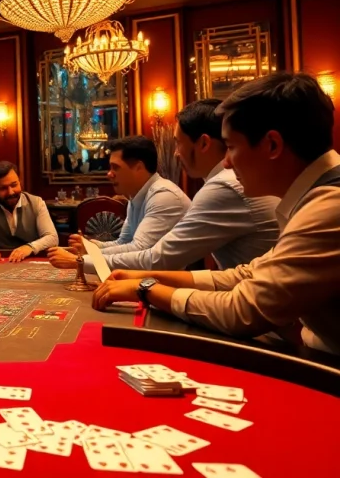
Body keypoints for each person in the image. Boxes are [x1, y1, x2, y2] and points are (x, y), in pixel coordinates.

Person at [93, 72, 340, 355]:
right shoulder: (318, 195)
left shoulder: (330, 205)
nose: (226, 162)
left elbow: (242, 310)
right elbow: (246, 274)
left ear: (272, 145)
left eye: (232, 147)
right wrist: (148, 277)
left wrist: (146, 288)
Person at [49, 100, 278, 272]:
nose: (176, 153)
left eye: (178, 143)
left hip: (273, 322)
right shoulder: (221, 182)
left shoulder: (219, 186)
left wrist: (83, 260)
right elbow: (127, 244)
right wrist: (90, 250)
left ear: (204, 143)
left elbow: (156, 258)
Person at [50, 136, 190, 267]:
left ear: (138, 168)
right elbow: (123, 242)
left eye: (115, 167)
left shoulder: (163, 195)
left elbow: (140, 250)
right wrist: (90, 246)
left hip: (180, 283)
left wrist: (81, 260)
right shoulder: (136, 196)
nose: (109, 174)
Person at [0, 161, 59, 262]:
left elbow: (52, 238)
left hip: (29, 260)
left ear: (19, 181)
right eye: (3, 188)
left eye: (14, 185)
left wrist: (29, 247)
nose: (11, 192)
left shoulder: (37, 203)